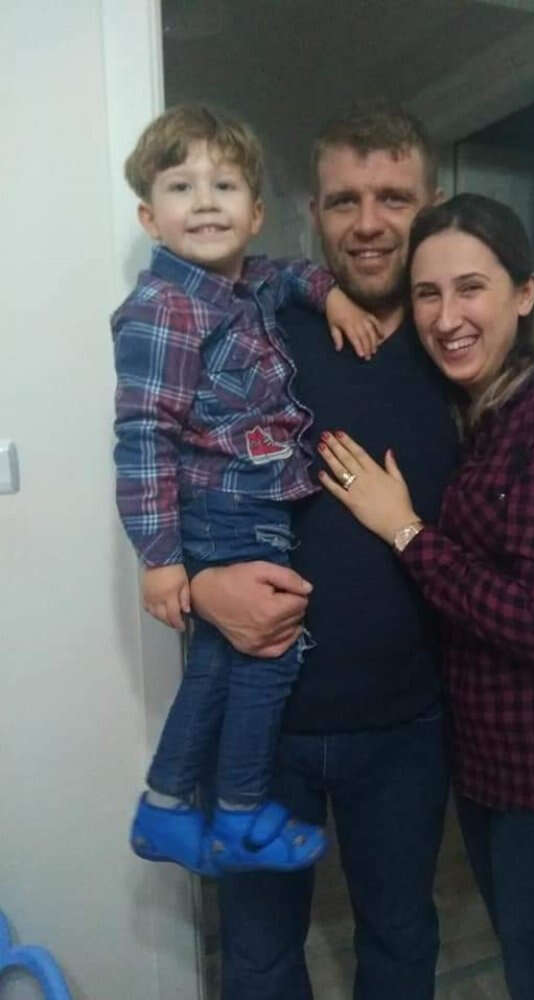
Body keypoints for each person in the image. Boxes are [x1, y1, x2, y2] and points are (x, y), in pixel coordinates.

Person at [189, 103, 534, 999]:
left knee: (402, 936)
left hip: (409, 726)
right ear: (313, 212)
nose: (369, 223)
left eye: (394, 198)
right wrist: (203, 586)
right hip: (260, 712)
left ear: (429, 203)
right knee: (257, 952)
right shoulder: (255, 335)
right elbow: (172, 465)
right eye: (345, 201)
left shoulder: (459, 347)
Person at [317, 192, 534, 1000]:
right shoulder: (473, 403)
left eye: (470, 288)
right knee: (533, 972)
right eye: (427, 293)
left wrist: (404, 530)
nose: (446, 318)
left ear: (524, 292)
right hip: (498, 771)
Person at [112, 105, 381, 878]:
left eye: (224, 186)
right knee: (271, 652)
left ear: (255, 212)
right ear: (150, 217)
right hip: (228, 509)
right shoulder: (165, 308)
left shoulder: (251, 283)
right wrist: (160, 558)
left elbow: (291, 272)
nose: (204, 202)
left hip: (252, 505)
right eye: (181, 187)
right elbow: (142, 437)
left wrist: (331, 295)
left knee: (216, 664)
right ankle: (238, 813)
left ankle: (166, 807)